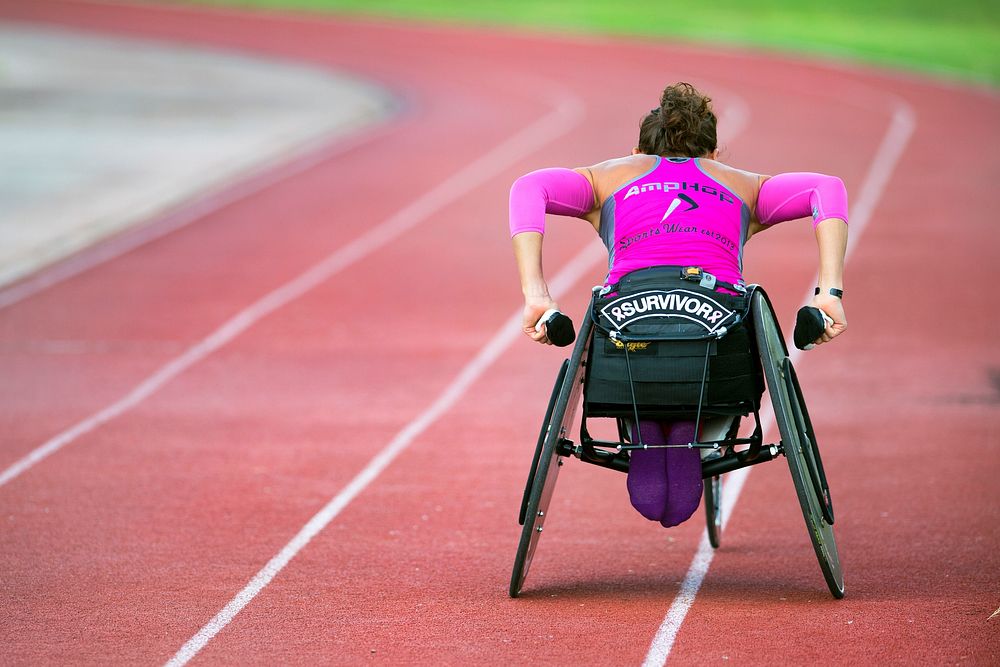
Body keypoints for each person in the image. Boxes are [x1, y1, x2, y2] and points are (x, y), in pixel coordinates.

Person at [508, 82, 848, 528]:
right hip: (715, 336)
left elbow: (528, 187)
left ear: (637, 150)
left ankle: (645, 419)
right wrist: (829, 292)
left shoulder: (607, 177)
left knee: (631, 332)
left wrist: (537, 294)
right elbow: (828, 188)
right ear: (714, 153)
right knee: (726, 319)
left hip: (629, 331)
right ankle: (696, 428)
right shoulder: (743, 185)